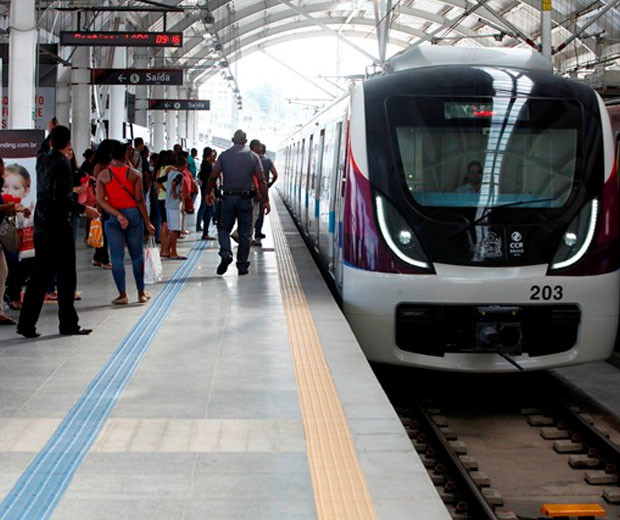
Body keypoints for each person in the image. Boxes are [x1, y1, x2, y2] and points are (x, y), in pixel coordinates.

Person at [17, 125, 100, 338]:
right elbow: (62, 199)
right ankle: (68, 324)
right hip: (58, 228)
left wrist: (50, 134)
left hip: (41, 226)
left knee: (39, 277)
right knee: (66, 278)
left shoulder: (42, 160)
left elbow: (44, 147)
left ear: (52, 142)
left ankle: (26, 325)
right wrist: (85, 209)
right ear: (69, 144)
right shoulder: (62, 165)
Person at [96, 140, 155, 305]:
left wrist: (117, 214)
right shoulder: (135, 174)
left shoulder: (103, 175)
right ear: (125, 155)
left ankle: (122, 295)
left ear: (110, 156)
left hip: (113, 218)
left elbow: (100, 200)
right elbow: (140, 200)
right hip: (134, 215)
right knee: (137, 256)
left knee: (116, 258)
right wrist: (148, 222)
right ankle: (141, 293)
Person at [206, 130, 270, 276]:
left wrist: (208, 192)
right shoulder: (253, 157)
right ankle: (242, 266)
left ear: (232, 139)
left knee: (223, 228)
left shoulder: (224, 155)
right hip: (246, 200)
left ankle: (225, 252)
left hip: (228, 199)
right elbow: (261, 180)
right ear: (246, 141)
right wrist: (265, 200)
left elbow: (212, 176)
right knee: (245, 233)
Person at [165, 155, 188, 260]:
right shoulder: (179, 175)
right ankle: (173, 252)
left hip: (168, 204)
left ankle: (167, 250)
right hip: (174, 205)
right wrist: (174, 193)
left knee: (171, 229)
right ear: (184, 165)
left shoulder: (170, 173)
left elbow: (159, 180)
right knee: (174, 230)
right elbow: (175, 183)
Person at [254, 143, 278, 242]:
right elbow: (275, 174)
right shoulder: (268, 161)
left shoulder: (252, 159)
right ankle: (258, 232)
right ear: (264, 151)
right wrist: (270, 184)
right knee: (260, 212)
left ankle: (249, 233)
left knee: (251, 212)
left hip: (252, 190)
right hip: (263, 190)